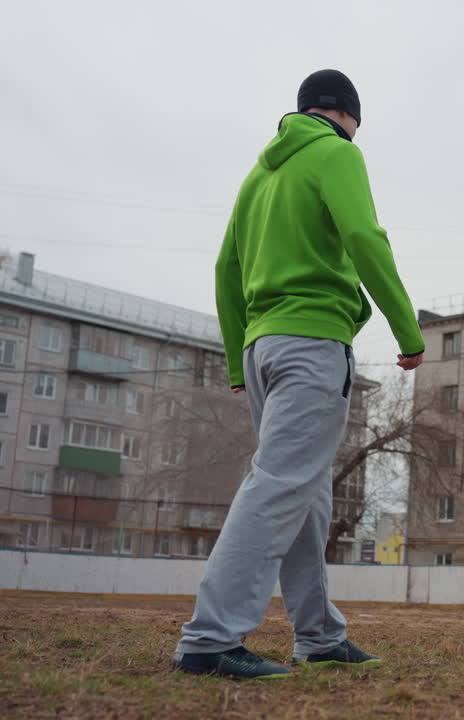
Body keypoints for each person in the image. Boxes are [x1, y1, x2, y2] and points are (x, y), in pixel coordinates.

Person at [173, 69, 425, 678]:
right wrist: (407, 329)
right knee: (281, 482)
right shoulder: (336, 154)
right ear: (348, 115)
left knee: (306, 492)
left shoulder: (258, 177)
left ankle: (317, 634)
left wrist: (238, 359)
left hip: (263, 347)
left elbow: (225, 268)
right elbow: (364, 236)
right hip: (313, 341)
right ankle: (209, 637)